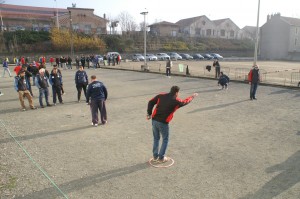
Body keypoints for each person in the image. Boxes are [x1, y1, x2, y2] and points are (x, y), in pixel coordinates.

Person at [147, 86, 198, 163]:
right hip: (163, 123)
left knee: (156, 138)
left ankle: (155, 157)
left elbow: (151, 102)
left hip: (154, 120)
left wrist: (149, 113)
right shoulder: (176, 101)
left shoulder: (161, 95)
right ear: (177, 93)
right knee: (165, 139)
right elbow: (185, 102)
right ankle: (161, 158)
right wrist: (192, 96)